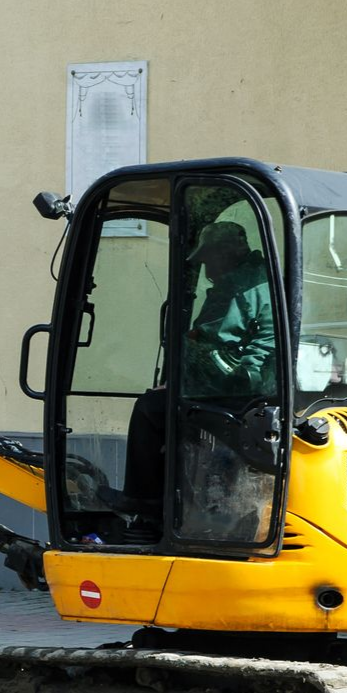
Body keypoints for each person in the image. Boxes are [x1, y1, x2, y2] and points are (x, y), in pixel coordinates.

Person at [115, 221, 276, 523]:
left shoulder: (236, 287)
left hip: (238, 387)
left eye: (209, 261)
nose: (208, 271)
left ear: (228, 254)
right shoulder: (263, 279)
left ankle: (144, 501)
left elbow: (209, 343)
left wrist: (178, 381)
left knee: (150, 409)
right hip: (257, 386)